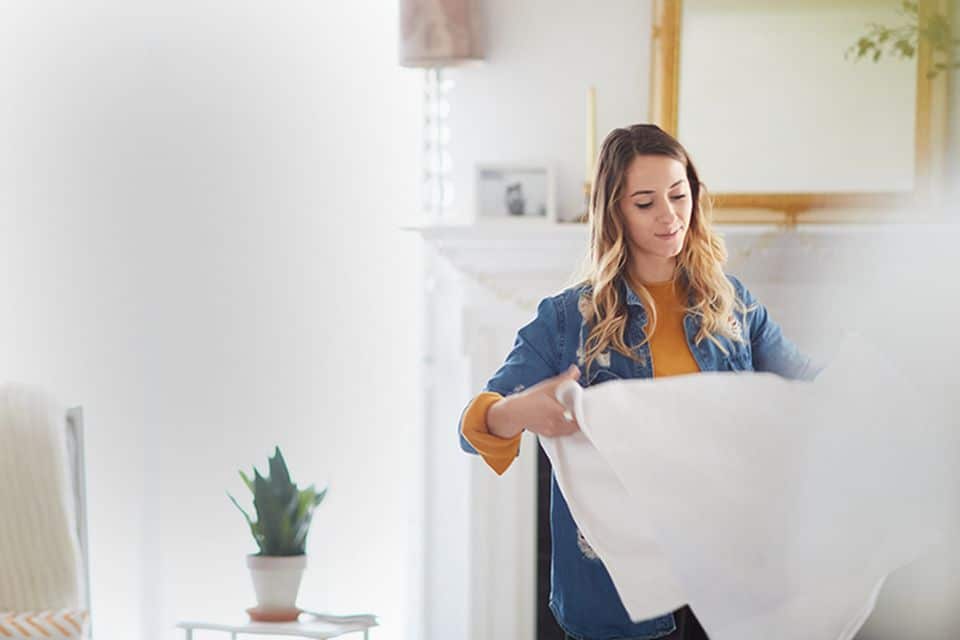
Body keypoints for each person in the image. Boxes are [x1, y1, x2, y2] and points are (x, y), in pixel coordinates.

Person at [457, 124, 817, 640]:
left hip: (729, 580)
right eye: (646, 202)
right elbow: (472, 427)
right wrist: (515, 412)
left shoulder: (733, 306)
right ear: (616, 213)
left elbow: (809, 388)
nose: (669, 216)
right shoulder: (568, 320)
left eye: (678, 194)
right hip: (617, 595)